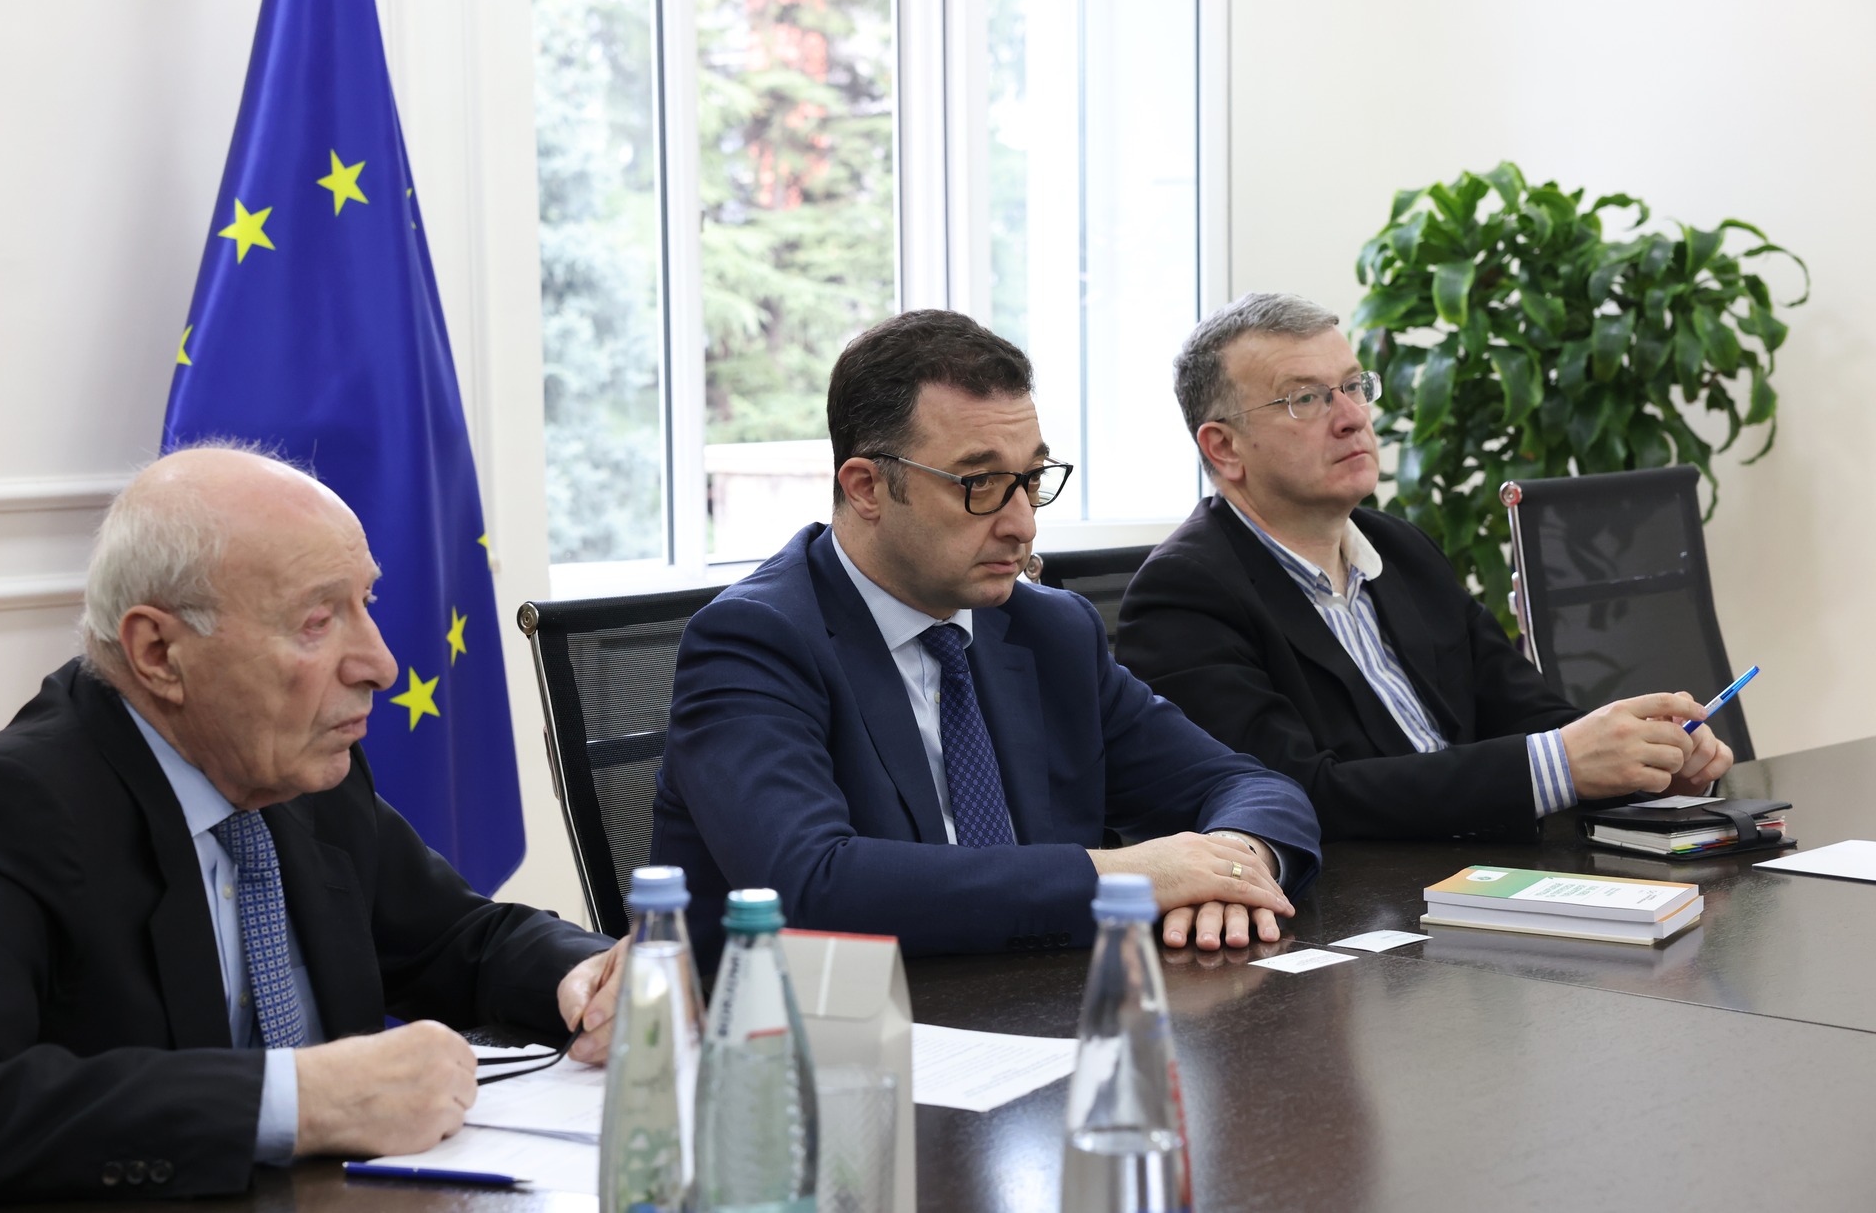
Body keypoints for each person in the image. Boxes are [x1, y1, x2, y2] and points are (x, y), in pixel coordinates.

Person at [0, 447, 622, 1203]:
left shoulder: (293, 765)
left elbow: (454, 939)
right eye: (317, 620)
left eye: (366, 604)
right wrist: (299, 1100)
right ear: (159, 653)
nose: (380, 664)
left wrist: (586, 977)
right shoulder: (12, 810)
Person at [649, 310, 1321, 965]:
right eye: (981, 484)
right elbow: (811, 885)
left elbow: (1249, 786)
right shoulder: (755, 640)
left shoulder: (1049, 630)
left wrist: (1234, 867)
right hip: (814, 1024)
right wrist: (1131, 876)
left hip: (1042, 1007)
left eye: (1031, 480)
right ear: (866, 488)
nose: (1022, 524)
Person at [1117, 293, 1736, 842]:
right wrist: (1562, 765)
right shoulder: (1185, 594)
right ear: (1224, 447)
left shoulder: (1401, 549)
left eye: (1354, 386)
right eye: (1306, 399)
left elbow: (1525, 714)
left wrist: (1644, 758)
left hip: (1485, 875)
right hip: (1362, 912)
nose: (1352, 417)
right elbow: (1297, 795)